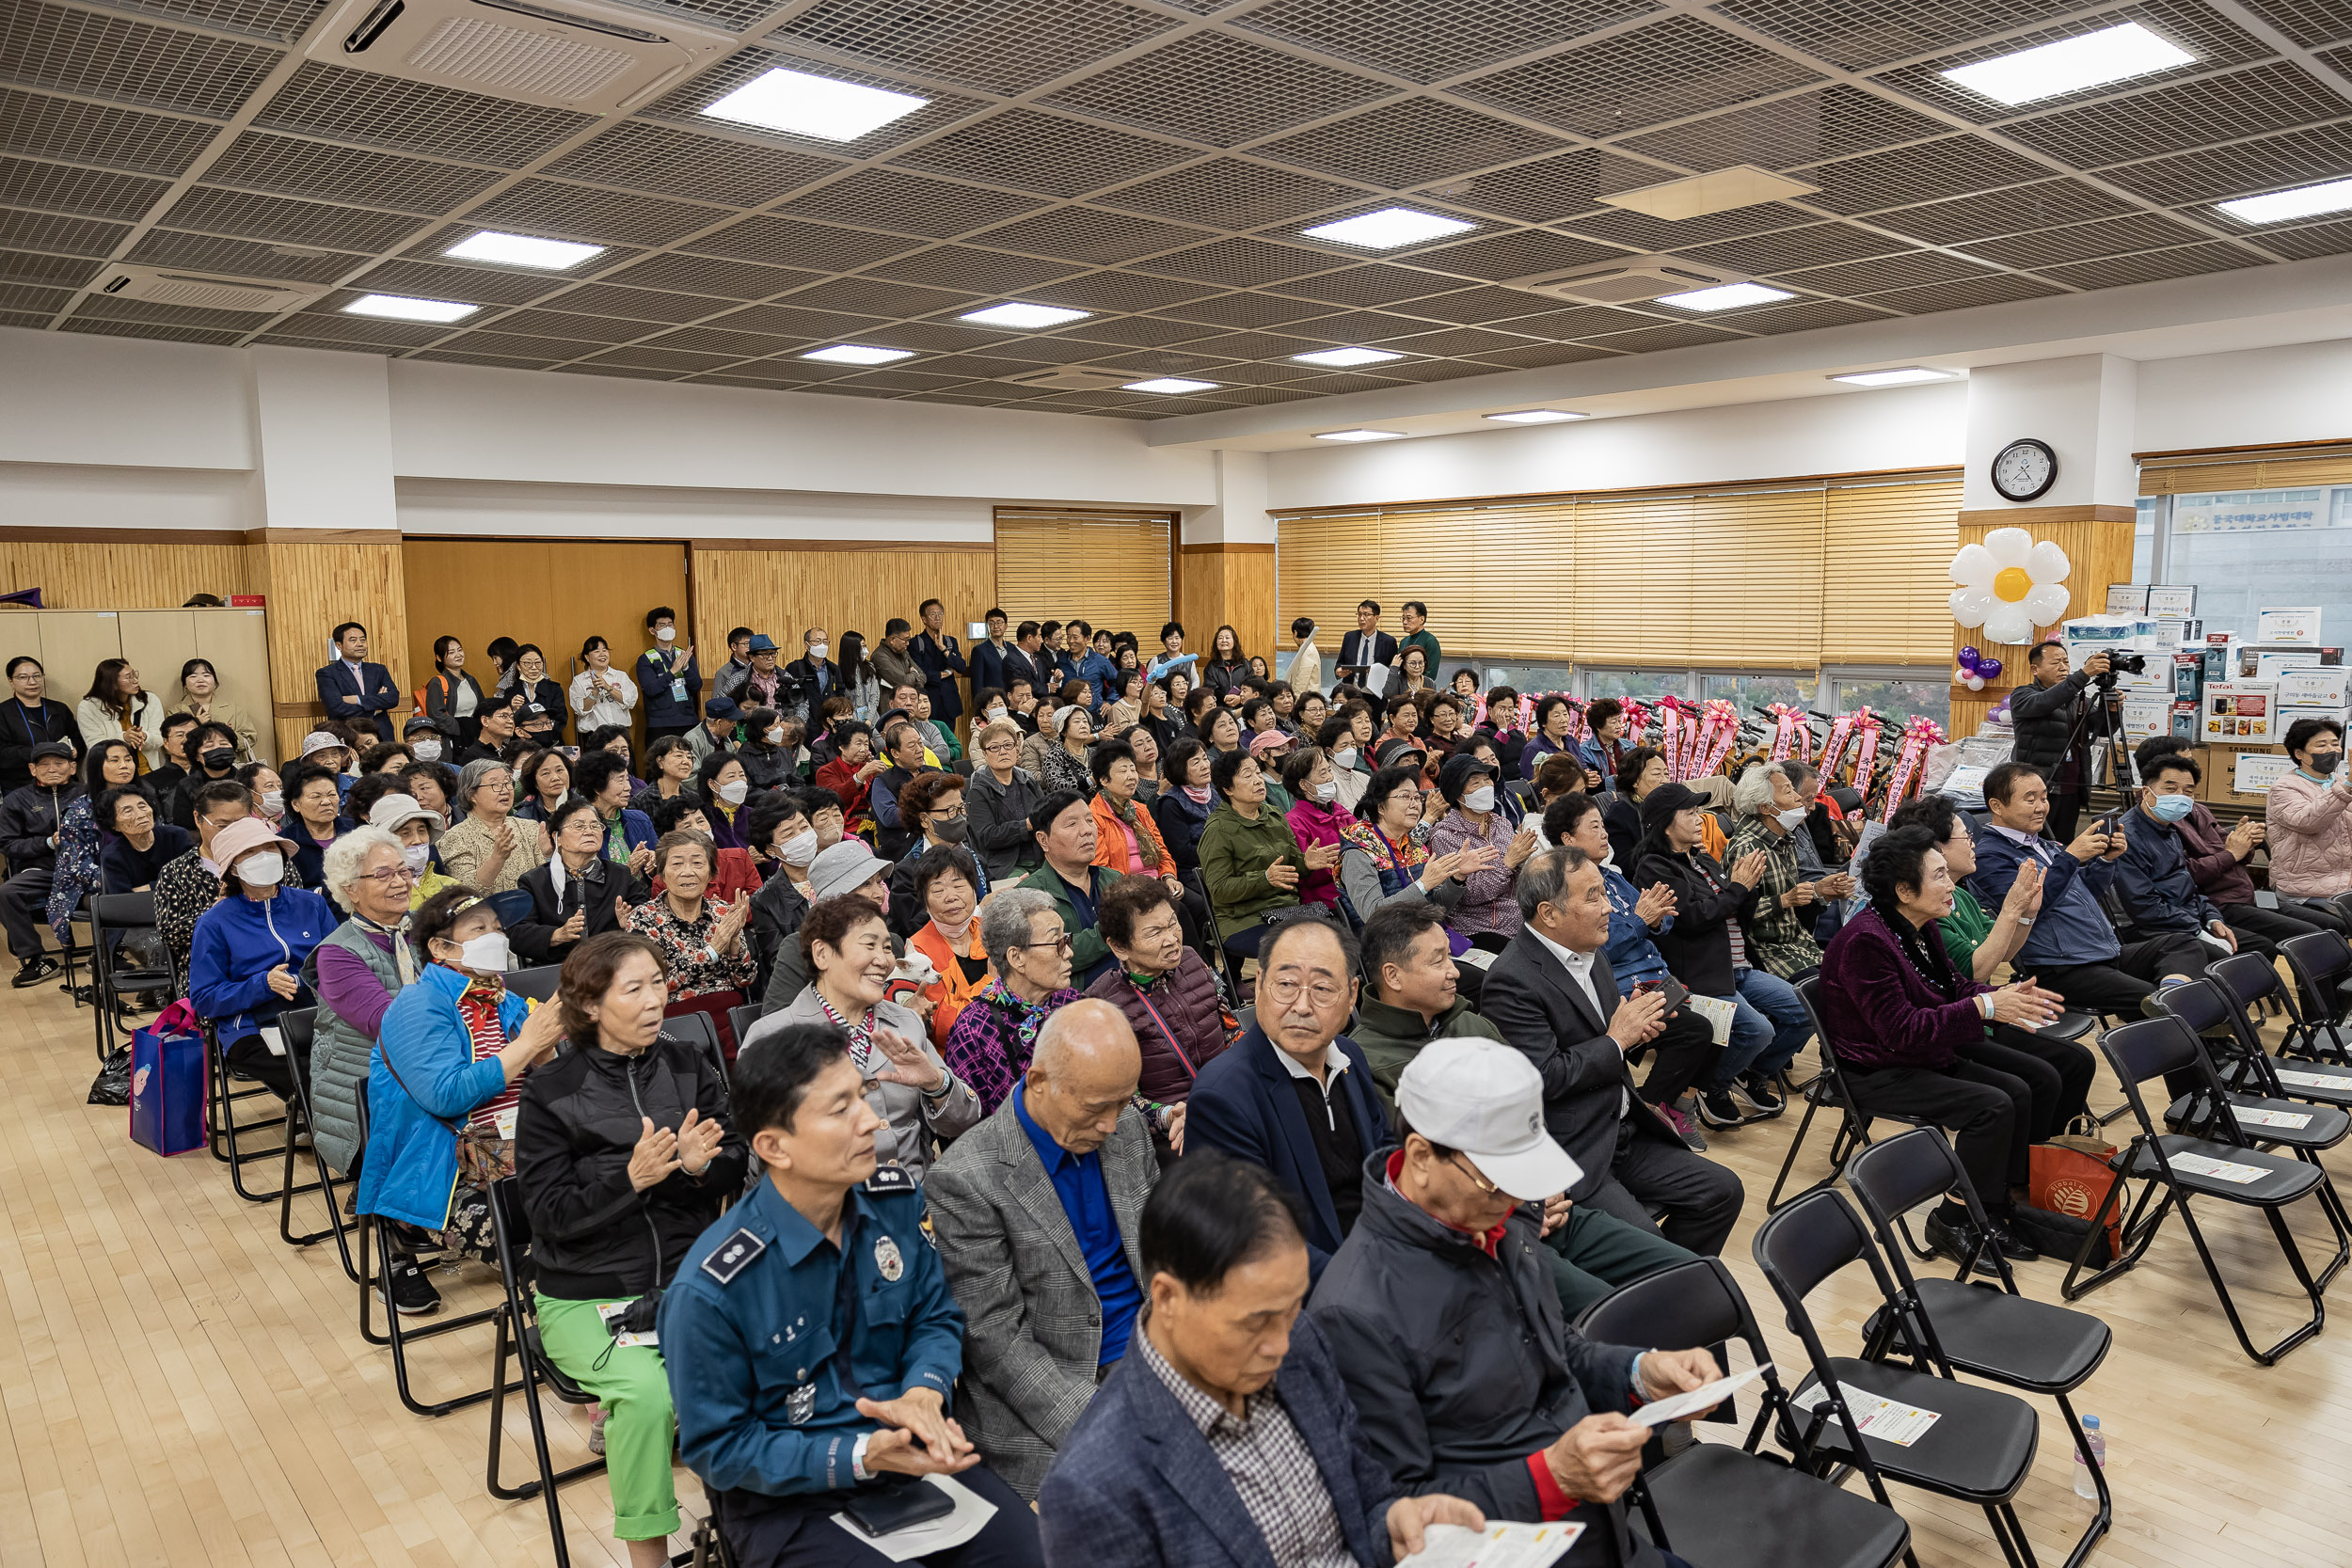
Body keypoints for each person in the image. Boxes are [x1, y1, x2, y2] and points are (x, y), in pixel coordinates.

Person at [1309, 1034, 1714, 1564]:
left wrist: (1639, 1373)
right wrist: (1549, 1478)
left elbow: (1558, 1353)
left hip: (1604, 1533)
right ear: (1421, 1157)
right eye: (1496, 1181)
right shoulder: (1355, 1313)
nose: (1515, 1200)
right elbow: (1397, 1516)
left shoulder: (1498, 1218)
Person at [658, 1021, 1044, 1568]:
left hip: (909, 1459)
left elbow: (934, 1319)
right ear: (774, 1146)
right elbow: (719, 1448)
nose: (873, 1121)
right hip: (790, 1502)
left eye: (863, 1095)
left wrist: (923, 1393)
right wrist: (862, 1454)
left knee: (1038, 1555)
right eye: (841, 1110)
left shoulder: (894, 1203)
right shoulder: (715, 1286)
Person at [1039, 1152, 1482, 1568]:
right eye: (1256, 1322)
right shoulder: (1094, 1487)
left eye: (1292, 1309)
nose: (1281, 1344)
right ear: (1169, 1299)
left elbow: (1365, 1497)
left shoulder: (1301, 1341)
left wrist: (1395, 1523)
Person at [517, 931, 746, 1568]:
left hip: (688, 1282)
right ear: (590, 1005)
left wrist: (703, 1168)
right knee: (647, 1395)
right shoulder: (551, 1091)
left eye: (658, 982)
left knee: (767, 1361)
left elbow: (735, 1159)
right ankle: (648, 1559)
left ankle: (750, 1531)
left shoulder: (687, 1062)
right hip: (586, 1292)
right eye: (634, 988)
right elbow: (547, 1214)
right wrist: (630, 1179)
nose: (655, 999)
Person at [926, 1001, 1154, 1497]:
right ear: (1038, 1082)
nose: (1112, 1125)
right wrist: (1102, 1421)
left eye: (1124, 1102)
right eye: (1096, 1108)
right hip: (1055, 1392)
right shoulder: (967, 1178)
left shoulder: (1126, 1130)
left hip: (1155, 1358)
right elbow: (995, 1341)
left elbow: (1163, 1258)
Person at [1820, 826, 2068, 1267]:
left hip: (1918, 1052)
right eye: (1938, 876)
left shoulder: (1917, 924)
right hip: (1873, 1069)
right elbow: (1900, 1031)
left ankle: (1995, 1205)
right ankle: (1952, 1218)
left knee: (2031, 1082)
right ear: (1904, 890)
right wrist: (1987, 1006)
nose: (1950, 884)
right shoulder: (1865, 942)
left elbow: (1950, 985)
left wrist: (2000, 998)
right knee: (1991, 1105)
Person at [1480, 847, 1744, 1259]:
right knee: (1654, 1254)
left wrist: (1634, 1029)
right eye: (1593, 897)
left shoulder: (1592, 952)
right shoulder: (1512, 981)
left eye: (1604, 893)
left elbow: (1599, 1039)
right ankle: (1655, 1285)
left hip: (1623, 1128)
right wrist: (1617, 1040)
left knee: (1722, 1192)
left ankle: (1658, 1289)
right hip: (1578, 1144)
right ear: (1549, 914)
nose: (1608, 907)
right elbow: (1544, 1078)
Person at [358, 888, 567, 1302]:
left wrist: (546, 1054)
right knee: (559, 1257)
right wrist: (526, 1046)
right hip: (447, 1168)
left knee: (617, 1207)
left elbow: (550, 1082)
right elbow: (445, 1096)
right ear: (439, 946)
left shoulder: (502, 997)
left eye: (499, 928)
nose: (496, 936)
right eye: (480, 928)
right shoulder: (417, 1005)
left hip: (526, 1150)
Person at [1184, 918, 1391, 1279]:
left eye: (1324, 988)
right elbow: (1253, 1240)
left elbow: (1384, 1156)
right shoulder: (1223, 1097)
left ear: (1353, 994)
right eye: (1286, 984)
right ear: (1260, 984)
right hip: (1312, 1291)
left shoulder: (1349, 1057)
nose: (1302, 1006)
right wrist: (1364, 1284)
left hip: (1382, 1251)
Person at [1883, 795, 2095, 1136]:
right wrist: (2011, 912)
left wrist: (2027, 914)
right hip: (1953, 1029)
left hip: (1974, 1015)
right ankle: (2024, 1165)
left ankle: (2048, 1154)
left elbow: (2003, 955)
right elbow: (1976, 971)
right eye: (1965, 835)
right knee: (2036, 1078)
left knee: (2077, 1060)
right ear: (1934, 847)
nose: (1973, 842)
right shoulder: (1923, 914)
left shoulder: (1959, 897)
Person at [743, 894, 979, 1183]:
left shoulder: (905, 1023)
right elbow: (761, 1163)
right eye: (869, 945)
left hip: (914, 1202)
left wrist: (935, 1083)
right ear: (822, 954)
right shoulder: (772, 1037)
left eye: (886, 947)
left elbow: (964, 1120)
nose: (884, 960)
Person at [1969, 760, 2209, 1020]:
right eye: (2030, 800)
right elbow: (2030, 905)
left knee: (2183, 944)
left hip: (2103, 952)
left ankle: (2177, 1001)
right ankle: (2196, 1035)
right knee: (2151, 1001)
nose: (2042, 808)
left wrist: (2106, 860)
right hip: (2060, 967)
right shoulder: (1989, 856)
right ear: (1997, 806)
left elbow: (2089, 891)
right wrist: (2071, 856)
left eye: (2044, 798)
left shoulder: (2045, 846)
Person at [1543, 794, 1717, 1147]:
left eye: (1604, 826)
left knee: (1722, 1025)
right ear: (1568, 840)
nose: (1606, 834)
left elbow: (1661, 922)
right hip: (1621, 988)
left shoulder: (1613, 877)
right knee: (1697, 1029)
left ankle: (1679, 1107)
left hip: (1659, 977)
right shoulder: (1564, 888)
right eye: (1594, 827)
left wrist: (1650, 920)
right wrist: (1640, 921)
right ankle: (1646, 1110)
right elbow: (1597, 947)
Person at [1633, 782, 1806, 1128]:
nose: (1701, 820)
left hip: (1738, 966)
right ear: (1667, 822)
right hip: (1701, 972)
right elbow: (1693, 918)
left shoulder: (1701, 858)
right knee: (1758, 1031)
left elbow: (1735, 904)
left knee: (1804, 1010)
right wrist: (1738, 887)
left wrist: (1749, 888)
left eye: (1699, 811)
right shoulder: (1654, 867)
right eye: (1691, 813)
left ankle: (1748, 1072)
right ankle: (1712, 1086)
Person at [303, 824, 417, 1201]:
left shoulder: (422, 932)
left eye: (404, 870)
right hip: (368, 1094)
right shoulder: (337, 953)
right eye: (384, 874)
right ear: (351, 889)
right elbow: (391, 1026)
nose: (400, 881)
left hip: (424, 1071)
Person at [187, 816, 338, 1099]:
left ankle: (321, 1125)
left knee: (357, 1065)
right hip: (250, 1028)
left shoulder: (312, 904)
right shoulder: (214, 922)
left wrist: (310, 980)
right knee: (312, 1078)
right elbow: (205, 998)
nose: (264, 857)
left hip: (316, 1016)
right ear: (233, 867)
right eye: (251, 852)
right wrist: (263, 985)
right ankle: (322, 1128)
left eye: (270, 848)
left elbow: (338, 964)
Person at [1086, 877, 1232, 1148]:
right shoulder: (1101, 1004)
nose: (1172, 940)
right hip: (1172, 1130)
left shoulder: (1192, 959)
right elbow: (1120, 1098)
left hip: (1229, 1100)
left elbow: (1231, 1029)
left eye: (1173, 924)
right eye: (1155, 933)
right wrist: (1168, 1116)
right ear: (1119, 947)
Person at [943, 888, 1081, 1115]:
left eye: (1067, 940)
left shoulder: (1071, 1003)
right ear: (1016, 958)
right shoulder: (973, 1030)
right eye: (1057, 943)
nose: (1068, 953)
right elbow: (970, 1124)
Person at [1199, 750, 1320, 968]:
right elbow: (1219, 889)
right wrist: (1264, 878)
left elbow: (1292, 866)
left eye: (1257, 773)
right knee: (1299, 950)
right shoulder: (1218, 830)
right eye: (1247, 775)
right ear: (1228, 789)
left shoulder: (1273, 815)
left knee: (1337, 936)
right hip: (1244, 920)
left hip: (1285, 909)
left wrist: (1306, 863)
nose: (1258, 781)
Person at [1722, 761, 1827, 979]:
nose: (1798, 798)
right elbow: (1737, 913)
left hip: (1798, 943)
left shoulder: (1784, 840)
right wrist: (1785, 900)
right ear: (1765, 807)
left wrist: (1819, 891)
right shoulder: (1747, 849)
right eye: (1789, 792)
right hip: (1769, 952)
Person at [2010, 640, 2122, 843]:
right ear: (2036, 669)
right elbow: (2045, 703)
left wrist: (2112, 712)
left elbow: (2102, 730)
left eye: (2066, 662)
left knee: (2063, 844)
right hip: (2038, 788)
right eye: (2055, 663)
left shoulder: (2078, 700)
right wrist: (2083, 675)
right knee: (2035, 844)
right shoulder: (2023, 695)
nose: (2063, 667)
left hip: (2072, 787)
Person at [627, 830, 756, 1005]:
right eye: (677, 864)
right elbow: (652, 985)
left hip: (728, 1011)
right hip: (675, 1019)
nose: (687, 872)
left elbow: (745, 980)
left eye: (697, 863)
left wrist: (734, 944)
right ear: (662, 874)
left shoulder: (723, 912)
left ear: (711, 873)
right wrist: (712, 951)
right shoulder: (643, 919)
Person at [153, 779, 264, 976]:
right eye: (222, 825)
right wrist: (216, 910)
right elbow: (170, 934)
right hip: (211, 971)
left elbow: (295, 912)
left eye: (241, 824)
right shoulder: (176, 872)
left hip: (272, 958)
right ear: (198, 819)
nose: (233, 832)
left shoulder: (270, 859)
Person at [1428, 753, 1534, 944]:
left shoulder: (1501, 824)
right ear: (1457, 794)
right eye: (1475, 783)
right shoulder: (1445, 836)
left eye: (1487, 780)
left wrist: (1524, 860)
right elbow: (1470, 895)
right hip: (1477, 928)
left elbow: (1519, 877)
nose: (1485, 787)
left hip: (1518, 919)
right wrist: (1508, 863)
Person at [1, 740, 80, 986]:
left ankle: (110, 953)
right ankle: (36, 958)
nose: (52, 768)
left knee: (116, 883)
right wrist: (47, 842)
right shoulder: (17, 800)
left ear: (73, 767)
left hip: (83, 870)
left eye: (59, 763)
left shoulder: (88, 794)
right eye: (44, 764)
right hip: (42, 869)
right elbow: (7, 844)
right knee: (6, 892)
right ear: (32, 769)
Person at [514, 799, 628, 965]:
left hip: (612, 967)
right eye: (579, 826)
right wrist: (557, 935)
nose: (589, 831)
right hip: (557, 973)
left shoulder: (620, 875)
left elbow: (647, 919)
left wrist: (630, 925)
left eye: (595, 825)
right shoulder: (534, 881)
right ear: (557, 837)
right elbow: (518, 933)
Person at [905, 844, 988, 1048]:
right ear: (925, 902)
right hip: (959, 1056)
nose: (951, 897)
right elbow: (945, 1026)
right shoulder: (919, 950)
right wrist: (992, 983)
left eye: (959, 886)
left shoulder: (992, 931)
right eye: (938, 890)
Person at [2266, 716, 2352, 904]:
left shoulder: (2339, 782)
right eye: (2321, 745)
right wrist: (2346, 788)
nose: (2331, 750)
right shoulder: (2284, 788)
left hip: (2345, 885)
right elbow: (2309, 822)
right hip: (2304, 889)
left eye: (2335, 744)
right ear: (2299, 754)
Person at [437, 759, 548, 895]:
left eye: (507, 783)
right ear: (471, 794)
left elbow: (546, 885)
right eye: (495, 784)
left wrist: (548, 855)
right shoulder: (454, 838)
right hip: (484, 915)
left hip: (532, 914)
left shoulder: (529, 828)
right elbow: (466, 892)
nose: (505, 790)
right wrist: (497, 858)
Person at [0, 657, 84, 796]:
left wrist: (75, 749)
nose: (32, 682)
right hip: (20, 785)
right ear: (10, 681)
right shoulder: (3, 712)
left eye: (37, 676)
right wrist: (40, 753)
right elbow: (3, 752)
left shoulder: (59, 708)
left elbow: (77, 738)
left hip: (63, 781)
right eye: (23, 677)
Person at [97, 784, 192, 895]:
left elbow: (193, 878)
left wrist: (148, 888)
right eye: (128, 811)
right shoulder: (112, 856)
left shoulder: (177, 836)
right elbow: (122, 900)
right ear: (113, 825)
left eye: (142, 806)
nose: (141, 815)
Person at [77, 657, 167, 772]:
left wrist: (144, 737)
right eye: (128, 677)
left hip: (148, 771)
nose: (135, 681)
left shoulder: (150, 700)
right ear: (112, 683)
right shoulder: (88, 706)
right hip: (110, 773)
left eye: (134, 674)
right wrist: (123, 738)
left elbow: (160, 738)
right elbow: (94, 745)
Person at [167, 657, 261, 764]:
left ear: (215, 682)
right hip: (191, 768)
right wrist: (196, 728)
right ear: (184, 684)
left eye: (206, 675)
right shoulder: (175, 711)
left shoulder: (234, 710)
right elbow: (169, 745)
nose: (200, 680)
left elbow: (250, 739)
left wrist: (226, 734)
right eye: (193, 676)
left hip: (229, 766)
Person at [278, 760, 350, 891]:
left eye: (332, 795)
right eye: (316, 796)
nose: (326, 802)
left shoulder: (356, 831)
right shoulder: (285, 843)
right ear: (295, 804)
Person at [636, 608, 701, 742]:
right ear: (652, 630)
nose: (668, 628)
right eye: (662, 625)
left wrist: (687, 668)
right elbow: (651, 689)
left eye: (670, 624)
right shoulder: (646, 659)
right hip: (660, 723)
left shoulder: (684, 655)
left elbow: (696, 687)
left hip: (688, 720)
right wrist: (672, 671)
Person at [417, 637, 488, 746]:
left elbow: (483, 707)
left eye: (460, 650)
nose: (458, 655)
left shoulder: (471, 680)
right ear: (439, 658)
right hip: (454, 741)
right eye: (451, 652)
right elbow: (436, 716)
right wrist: (462, 727)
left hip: (476, 736)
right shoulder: (437, 682)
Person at [911, 597, 969, 728]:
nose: (938, 617)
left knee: (948, 742)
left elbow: (961, 667)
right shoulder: (916, 643)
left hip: (949, 703)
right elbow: (921, 674)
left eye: (940, 613)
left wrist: (944, 649)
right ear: (924, 619)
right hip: (927, 702)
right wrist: (945, 673)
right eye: (933, 614)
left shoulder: (950, 641)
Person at [568, 636, 638, 736]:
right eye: (597, 651)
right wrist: (594, 693)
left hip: (620, 733)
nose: (602, 654)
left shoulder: (620, 676)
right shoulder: (579, 680)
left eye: (604, 650)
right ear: (587, 657)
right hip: (594, 735)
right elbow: (581, 709)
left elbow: (630, 701)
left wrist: (607, 687)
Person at [695, 750, 755, 851]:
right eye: (731, 776)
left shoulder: (753, 814)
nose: (739, 781)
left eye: (741, 775)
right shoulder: (702, 816)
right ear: (712, 784)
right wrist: (746, 857)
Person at [1335, 600, 1398, 688]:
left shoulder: (1389, 641)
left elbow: (1393, 669)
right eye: (1359, 614)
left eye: (1366, 615)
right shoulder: (1349, 637)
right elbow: (1340, 663)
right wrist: (1338, 671)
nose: (1361, 618)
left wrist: (1378, 672)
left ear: (1377, 618)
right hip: (1351, 692)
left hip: (1376, 692)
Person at [684, 693, 741, 767]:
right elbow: (691, 775)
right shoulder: (692, 740)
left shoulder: (725, 737)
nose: (735, 725)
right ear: (719, 723)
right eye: (732, 721)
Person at [709, 626, 755, 706]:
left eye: (752, 643)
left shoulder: (758, 667)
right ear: (734, 646)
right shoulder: (723, 672)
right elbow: (716, 703)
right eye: (746, 643)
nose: (751, 647)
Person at [1287, 617, 1322, 700]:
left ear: (1295, 633)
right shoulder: (1306, 648)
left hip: (1306, 699)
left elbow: (1302, 680)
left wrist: (1295, 701)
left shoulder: (1308, 650)